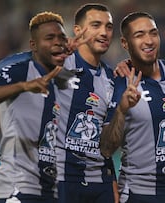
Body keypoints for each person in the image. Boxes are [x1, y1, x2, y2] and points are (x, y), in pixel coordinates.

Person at [100, 12, 165, 203]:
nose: (149, 41)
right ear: (125, 43)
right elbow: (106, 149)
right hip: (139, 194)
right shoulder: (117, 84)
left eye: (153, 33)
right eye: (139, 35)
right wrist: (122, 110)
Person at [0, 11, 67, 203]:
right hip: (17, 184)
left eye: (62, 37)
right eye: (50, 37)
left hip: (49, 188)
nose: (58, 42)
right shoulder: (21, 70)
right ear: (33, 46)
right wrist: (23, 86)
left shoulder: (62, 81)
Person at [55, 3, 118, 203]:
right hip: (61, 179)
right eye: (96, 25)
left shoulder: (111, 77)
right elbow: (8, 67)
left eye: (108, 27)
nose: (104, 32)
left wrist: (113, 181)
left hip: (100, 183)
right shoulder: (58, 64)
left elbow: (107, 143)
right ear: (78, 31)